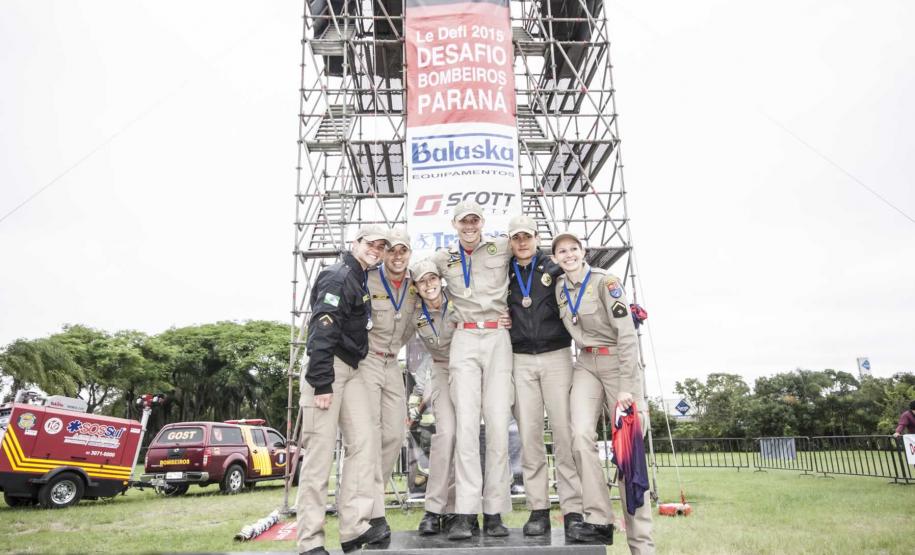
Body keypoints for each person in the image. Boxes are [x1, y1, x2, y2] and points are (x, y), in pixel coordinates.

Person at [552, 232, 655, 555]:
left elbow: (627, 336)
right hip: (585, 363)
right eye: (561, 251)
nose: (568, 255)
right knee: (579, 436)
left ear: (583, 252)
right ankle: (599, 518)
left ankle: (641, 544)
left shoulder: (605, 282)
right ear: (555, 258)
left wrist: (627, 386)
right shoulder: (559, 287)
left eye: (573, 249)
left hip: (618, 365)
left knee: (628, 454)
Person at [296, 225, 392, 555]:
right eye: (371, 243)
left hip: (352, 369)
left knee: (364, 444)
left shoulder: (361, 278)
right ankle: (310, 541)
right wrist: (321, 382)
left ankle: (353, 528)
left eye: (381, 246)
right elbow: (321, 330)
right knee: (319, 459)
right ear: (355, 243)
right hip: (328, 370)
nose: (376, 250)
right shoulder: (337, 276)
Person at [430, 201, 513, 540]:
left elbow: (531, 254)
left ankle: (493, 512)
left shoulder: (502, 247)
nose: (469, 226)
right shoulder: (442, 257)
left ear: (482, 222)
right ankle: (464, 512)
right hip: (463, 336)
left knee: (496, 424)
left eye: (474, 220)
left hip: (497, 335)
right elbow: (419, 274)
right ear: (454, 223)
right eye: (464, 221)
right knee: (466, 425)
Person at [506, 215, 583, 537]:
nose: (522, 243)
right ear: (510, 241)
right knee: (530, 437)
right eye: (516, 238)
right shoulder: (502, 270)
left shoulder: (553, 267)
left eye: (527, 237)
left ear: (536, 238)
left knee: (565, 436)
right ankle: (538, 509)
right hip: (520, 359)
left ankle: (574, 510)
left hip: (556, 356)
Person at [361, 228, 418, 531]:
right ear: (383, 253)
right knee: (368, 434)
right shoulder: (367, 278)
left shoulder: (416, 283)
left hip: (392, 362)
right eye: (392, 251)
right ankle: (373, 511)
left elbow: (415, 322)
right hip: (367, 360)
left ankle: (371, 497)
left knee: (395, 434)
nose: (397, 257)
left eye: (403, 251)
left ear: (409, 253)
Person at [409, 259, 458, 536]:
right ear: (416, 286)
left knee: (467, 439)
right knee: (445, 437)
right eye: (422, 281)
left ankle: (457, 510)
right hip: (440, 369)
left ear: (441, 279)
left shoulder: (460, 300)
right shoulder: (414, 311)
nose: (429, 285)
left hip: (468, 370)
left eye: (432, 279)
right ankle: (433, 510)